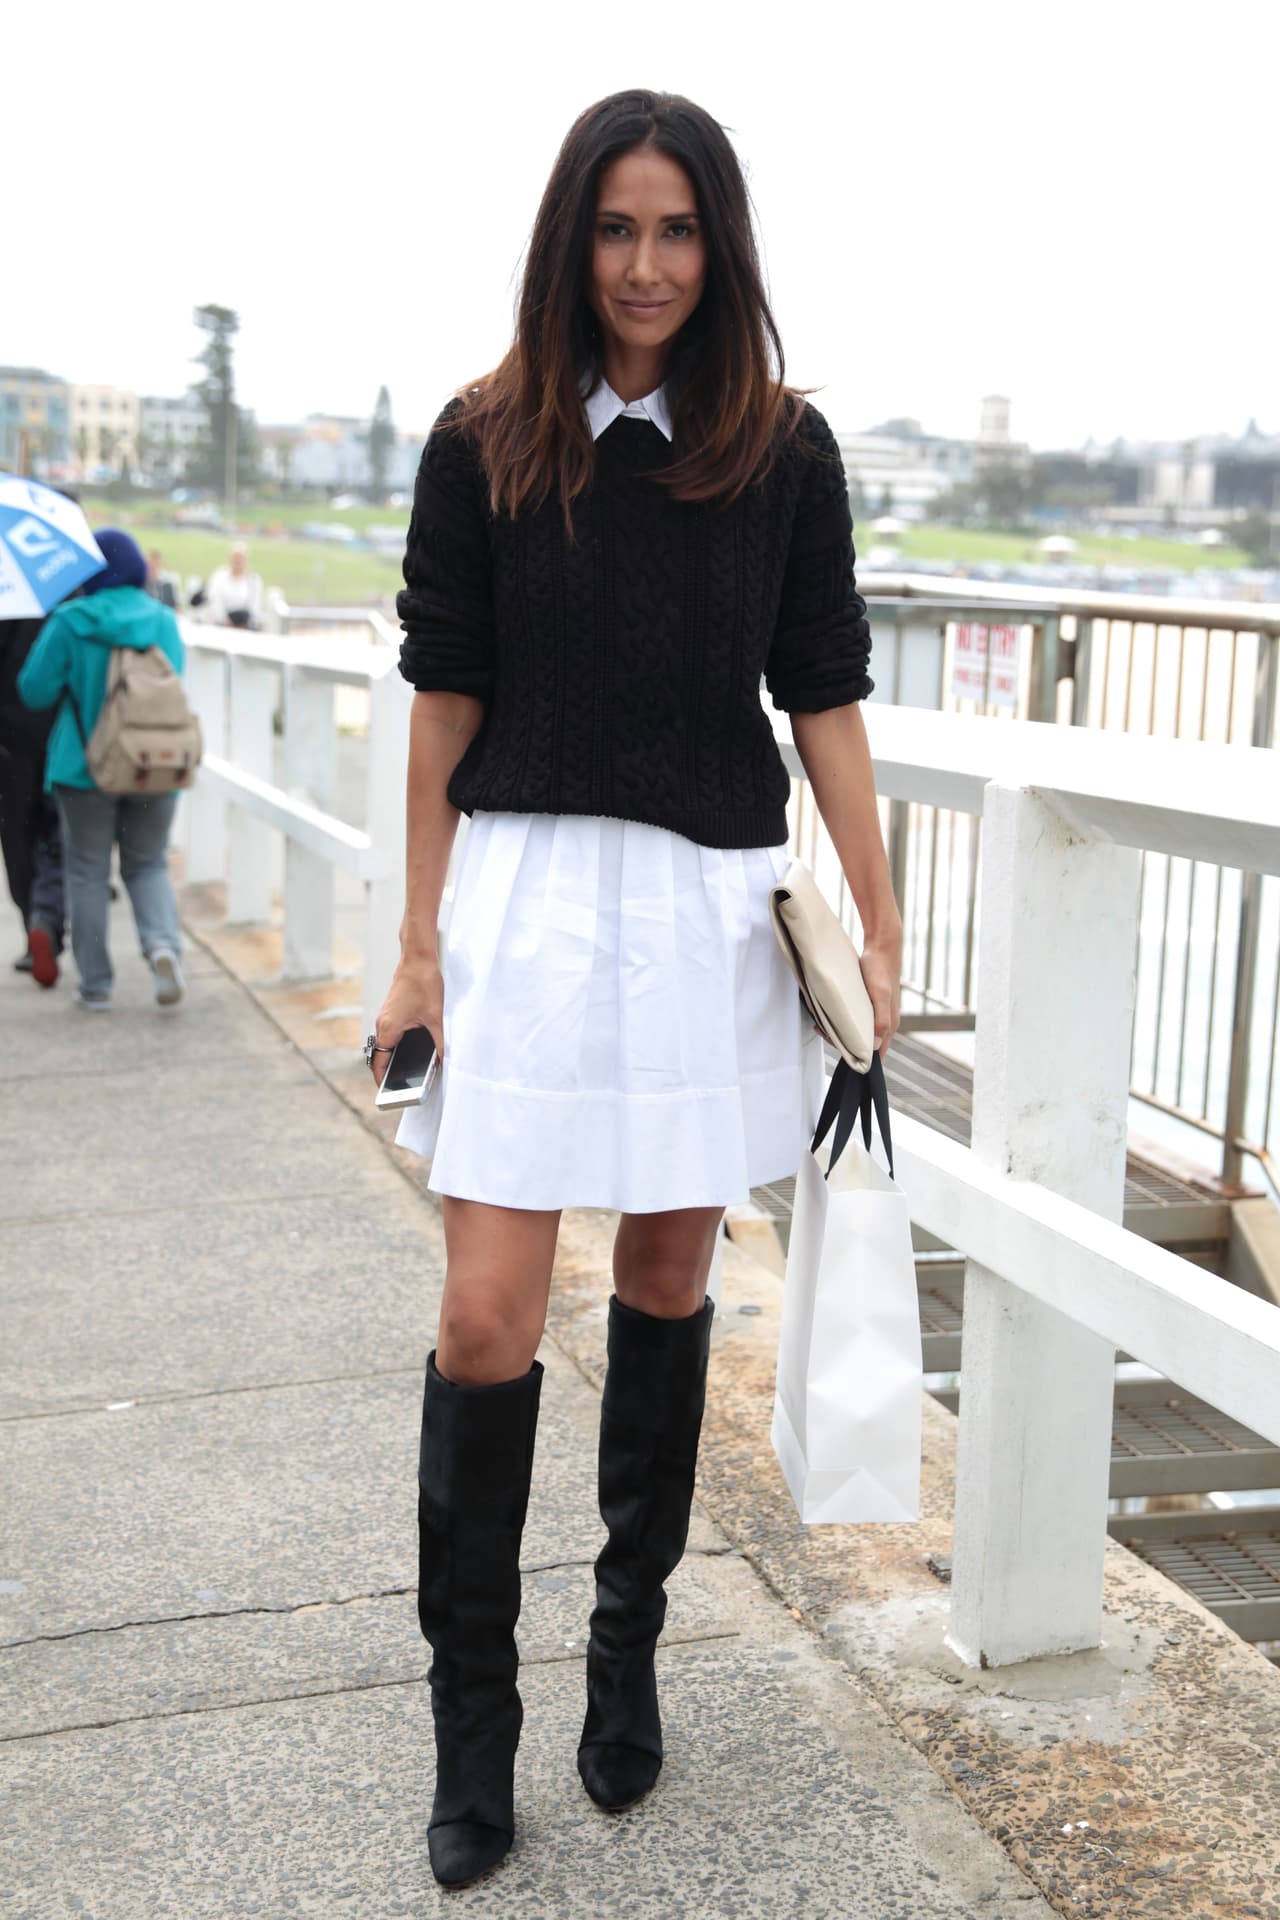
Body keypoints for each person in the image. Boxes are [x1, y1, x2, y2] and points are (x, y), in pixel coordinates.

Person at [370, 89, 903, 1890]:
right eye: (617, 229)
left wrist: (881, 932)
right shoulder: (486, 438)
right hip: (519, 906)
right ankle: (472, 1724)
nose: (648, 266)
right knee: (485, 1319)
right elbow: (445, 694)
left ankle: (626, 1649)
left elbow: (822, 691)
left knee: (672, 1275)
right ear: (569, 241)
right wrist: (417, 941)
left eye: (678, 231)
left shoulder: (782, 451)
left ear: (719, 247)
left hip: (704, 913)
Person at [18, 528, 187, 1011]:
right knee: (148, 863)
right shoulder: (162, 619)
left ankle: (95, 986)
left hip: (83, 766)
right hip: (154, 761)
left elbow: (34, 691)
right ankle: (161, 947)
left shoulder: (71, 620)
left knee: (88, 872)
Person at [0, 613, 66, 986]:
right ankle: (50, 918)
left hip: (10, 739)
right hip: (61, 731)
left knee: (17, 835)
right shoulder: (66, 589)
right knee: (58, 831)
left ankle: (33, 927)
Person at [201, 542, 263, 629]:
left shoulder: (253, 581)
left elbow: (255, 606)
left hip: (243, 626)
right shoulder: (219, 576)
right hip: (219, 624)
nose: (237, 561)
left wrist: (247, 623)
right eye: (235, 557)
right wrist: (225, 621)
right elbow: (214, 600)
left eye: (241, 558)